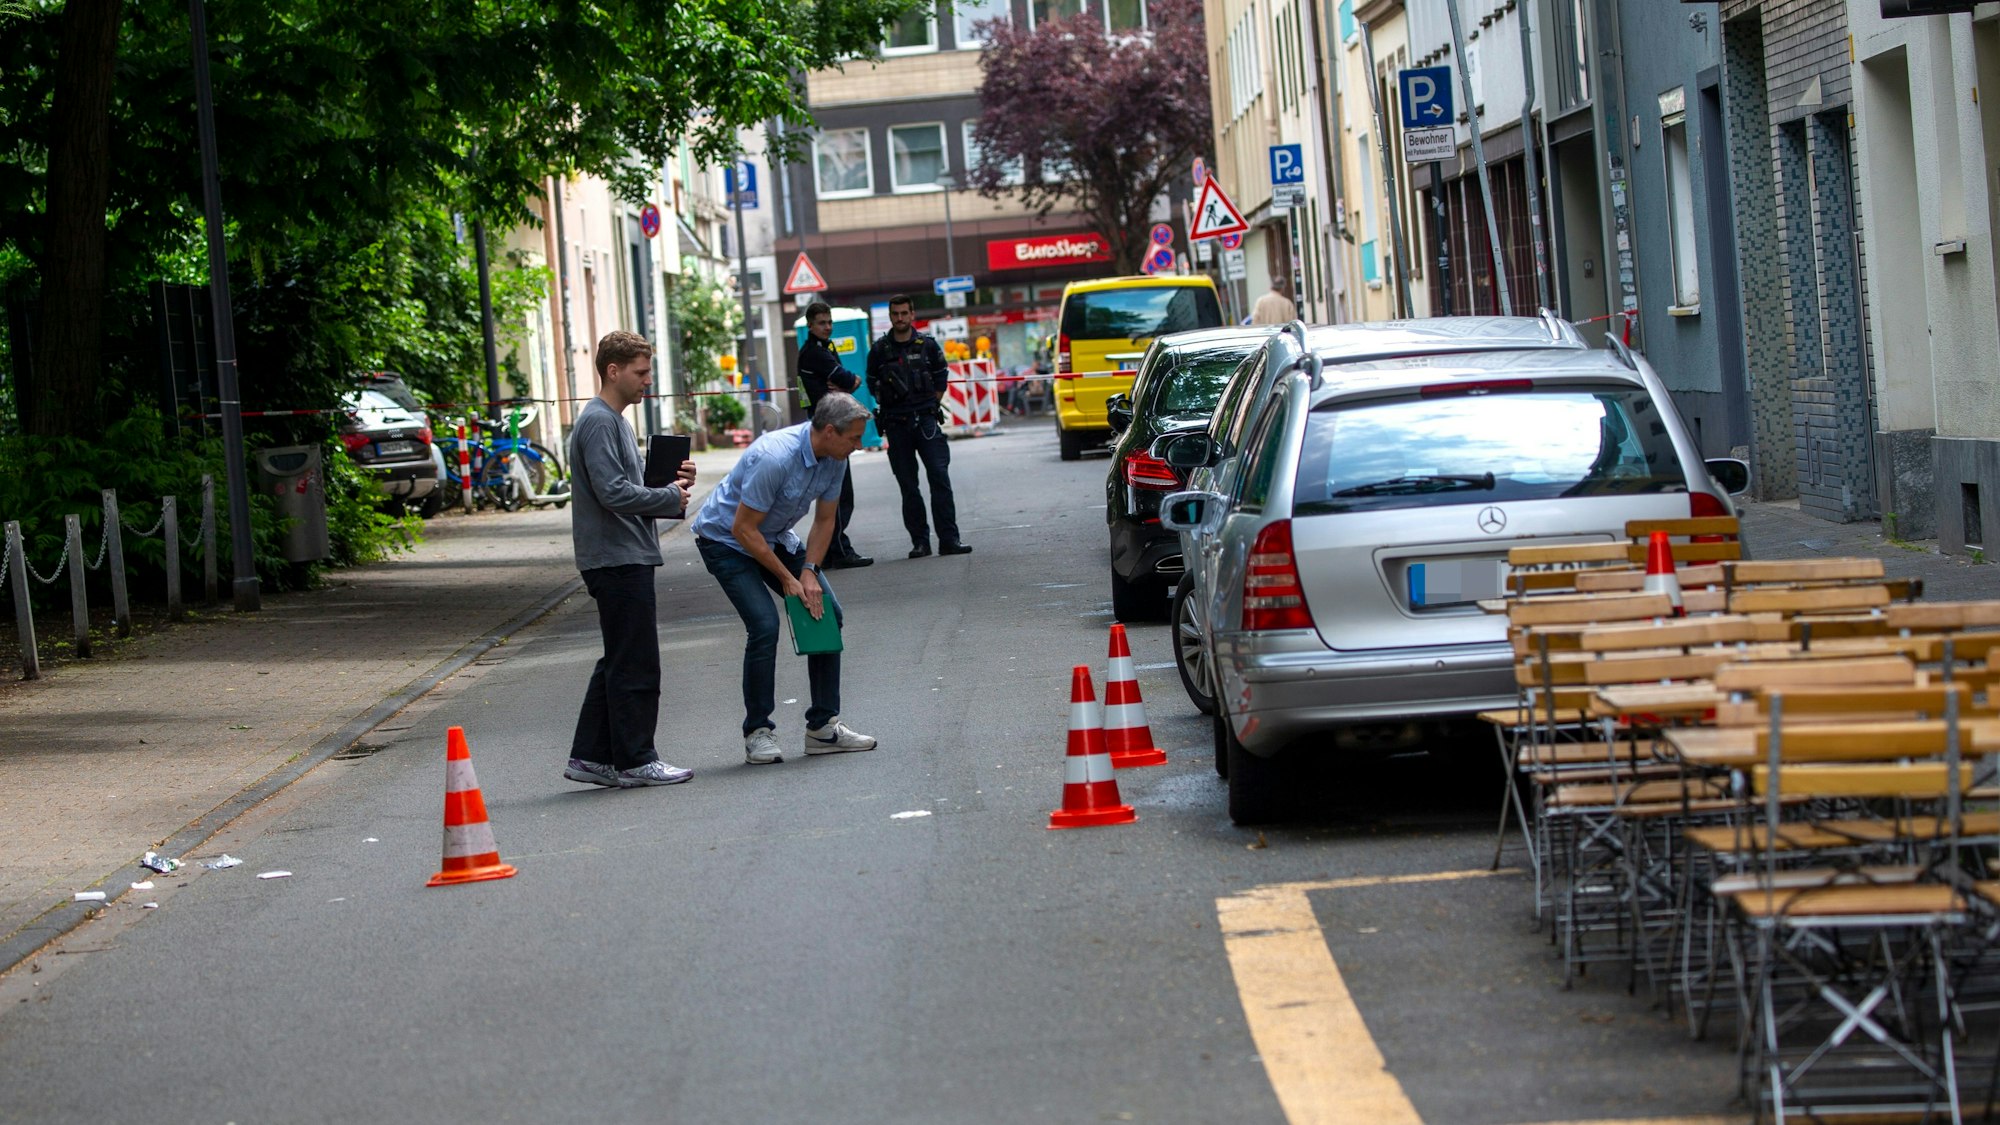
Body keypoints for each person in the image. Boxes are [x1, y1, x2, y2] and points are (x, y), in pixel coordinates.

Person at [691, 391, 879, 766]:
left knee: (826, 611)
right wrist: (787, 580)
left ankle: (823, 728)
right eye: (853, 438)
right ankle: (758, 732)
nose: (858, 446)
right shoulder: (775, 457)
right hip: (726, 540)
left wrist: (808, 572)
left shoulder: (835, 459)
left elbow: (825, 520)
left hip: (773, 536)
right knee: (764, 624)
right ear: (828, 431)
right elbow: (743, 529)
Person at [563, 330, 698, 789]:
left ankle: (590, 756)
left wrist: (670, 482)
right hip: (615, 557)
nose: (647, 382)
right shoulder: (601, 422)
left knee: (620, 658)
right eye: (640, 373)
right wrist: (666, 497)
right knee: (636, 662)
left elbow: (625, 483)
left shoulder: (613, 420)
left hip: (620, 553)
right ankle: (637, 759)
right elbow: (613, 492)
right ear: (613, 370)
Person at [865, 294, 970, 559]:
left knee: (939, 478)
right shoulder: (879, 350)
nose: (899, 318)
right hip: (896, 424)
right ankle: (920, 542)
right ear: (890, 316)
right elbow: (871, 382)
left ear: (912, 315)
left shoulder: (928, 346)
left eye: (904, 313)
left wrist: (929, 404)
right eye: (895, 314)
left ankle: (949, 539)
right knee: (908, 486)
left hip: (926, 421)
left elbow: (941, 377)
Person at [796, 301, 872, 569]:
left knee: (835, 491)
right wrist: (846, 385)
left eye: (829, 322)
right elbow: (851, 380)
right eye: (821, 323)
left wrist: (842, 386)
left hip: (827, 426)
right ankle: (838, 550)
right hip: (830, 431)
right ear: (810, 325)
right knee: (839, 493)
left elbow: (845, 382)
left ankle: (830, 550)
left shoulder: (824, 349)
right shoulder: (815, 353)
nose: (827, 327)